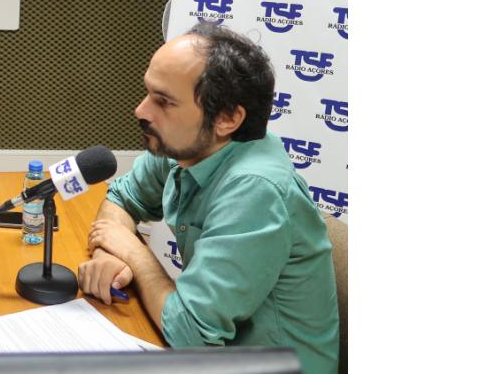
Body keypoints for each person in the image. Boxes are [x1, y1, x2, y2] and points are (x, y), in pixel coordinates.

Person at [77, 23, 338, 374]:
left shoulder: (256, 189)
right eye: (147, 92)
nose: (141, 110)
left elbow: (191, 336)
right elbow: (122, 198)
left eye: (164, 102)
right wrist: (108, 254)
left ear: (227, 118)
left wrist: (134, 254)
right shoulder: (187, 145)